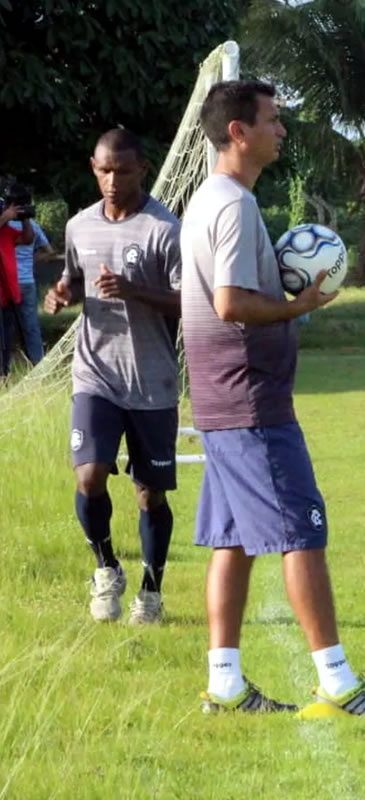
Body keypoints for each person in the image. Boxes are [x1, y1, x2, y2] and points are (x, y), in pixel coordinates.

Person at [182, 80, 365, 716]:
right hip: (250, 401)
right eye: (273, 120)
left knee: (230, 540)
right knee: (301, 532)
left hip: (223, 400)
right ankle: (338, 682)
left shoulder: (211, 199)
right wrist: (297, 306)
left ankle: (225, 684)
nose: (281, 131)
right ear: (239, 132)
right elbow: (229, 303)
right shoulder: (231, 206)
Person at [42, 129, 181, 625]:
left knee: (149, 493)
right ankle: (106, 569)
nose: (112, 180)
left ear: (142, 168)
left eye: (122, 171)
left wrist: (135, 290)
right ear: (93, 167)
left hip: (152, 380)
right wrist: (61, 294)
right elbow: (74, 280)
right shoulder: (80, 226)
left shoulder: (165, 229)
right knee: (89, 474)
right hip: (95, 372)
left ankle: (151, 591)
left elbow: (192, 301)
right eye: (104, 170)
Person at [0, 197, 34, 377]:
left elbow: (27, 239)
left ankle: (4, 377)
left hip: (9, 295)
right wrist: (5, 217)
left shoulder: (7, 231)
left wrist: (25, 219)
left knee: (6, 342)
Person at [11, 217, 51, 364]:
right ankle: (38, 363)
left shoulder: (4, 223)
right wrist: (31, 260)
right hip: (27, 281)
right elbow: (49, 250)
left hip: (6, 282)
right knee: (31, 326)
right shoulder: (32, 224)